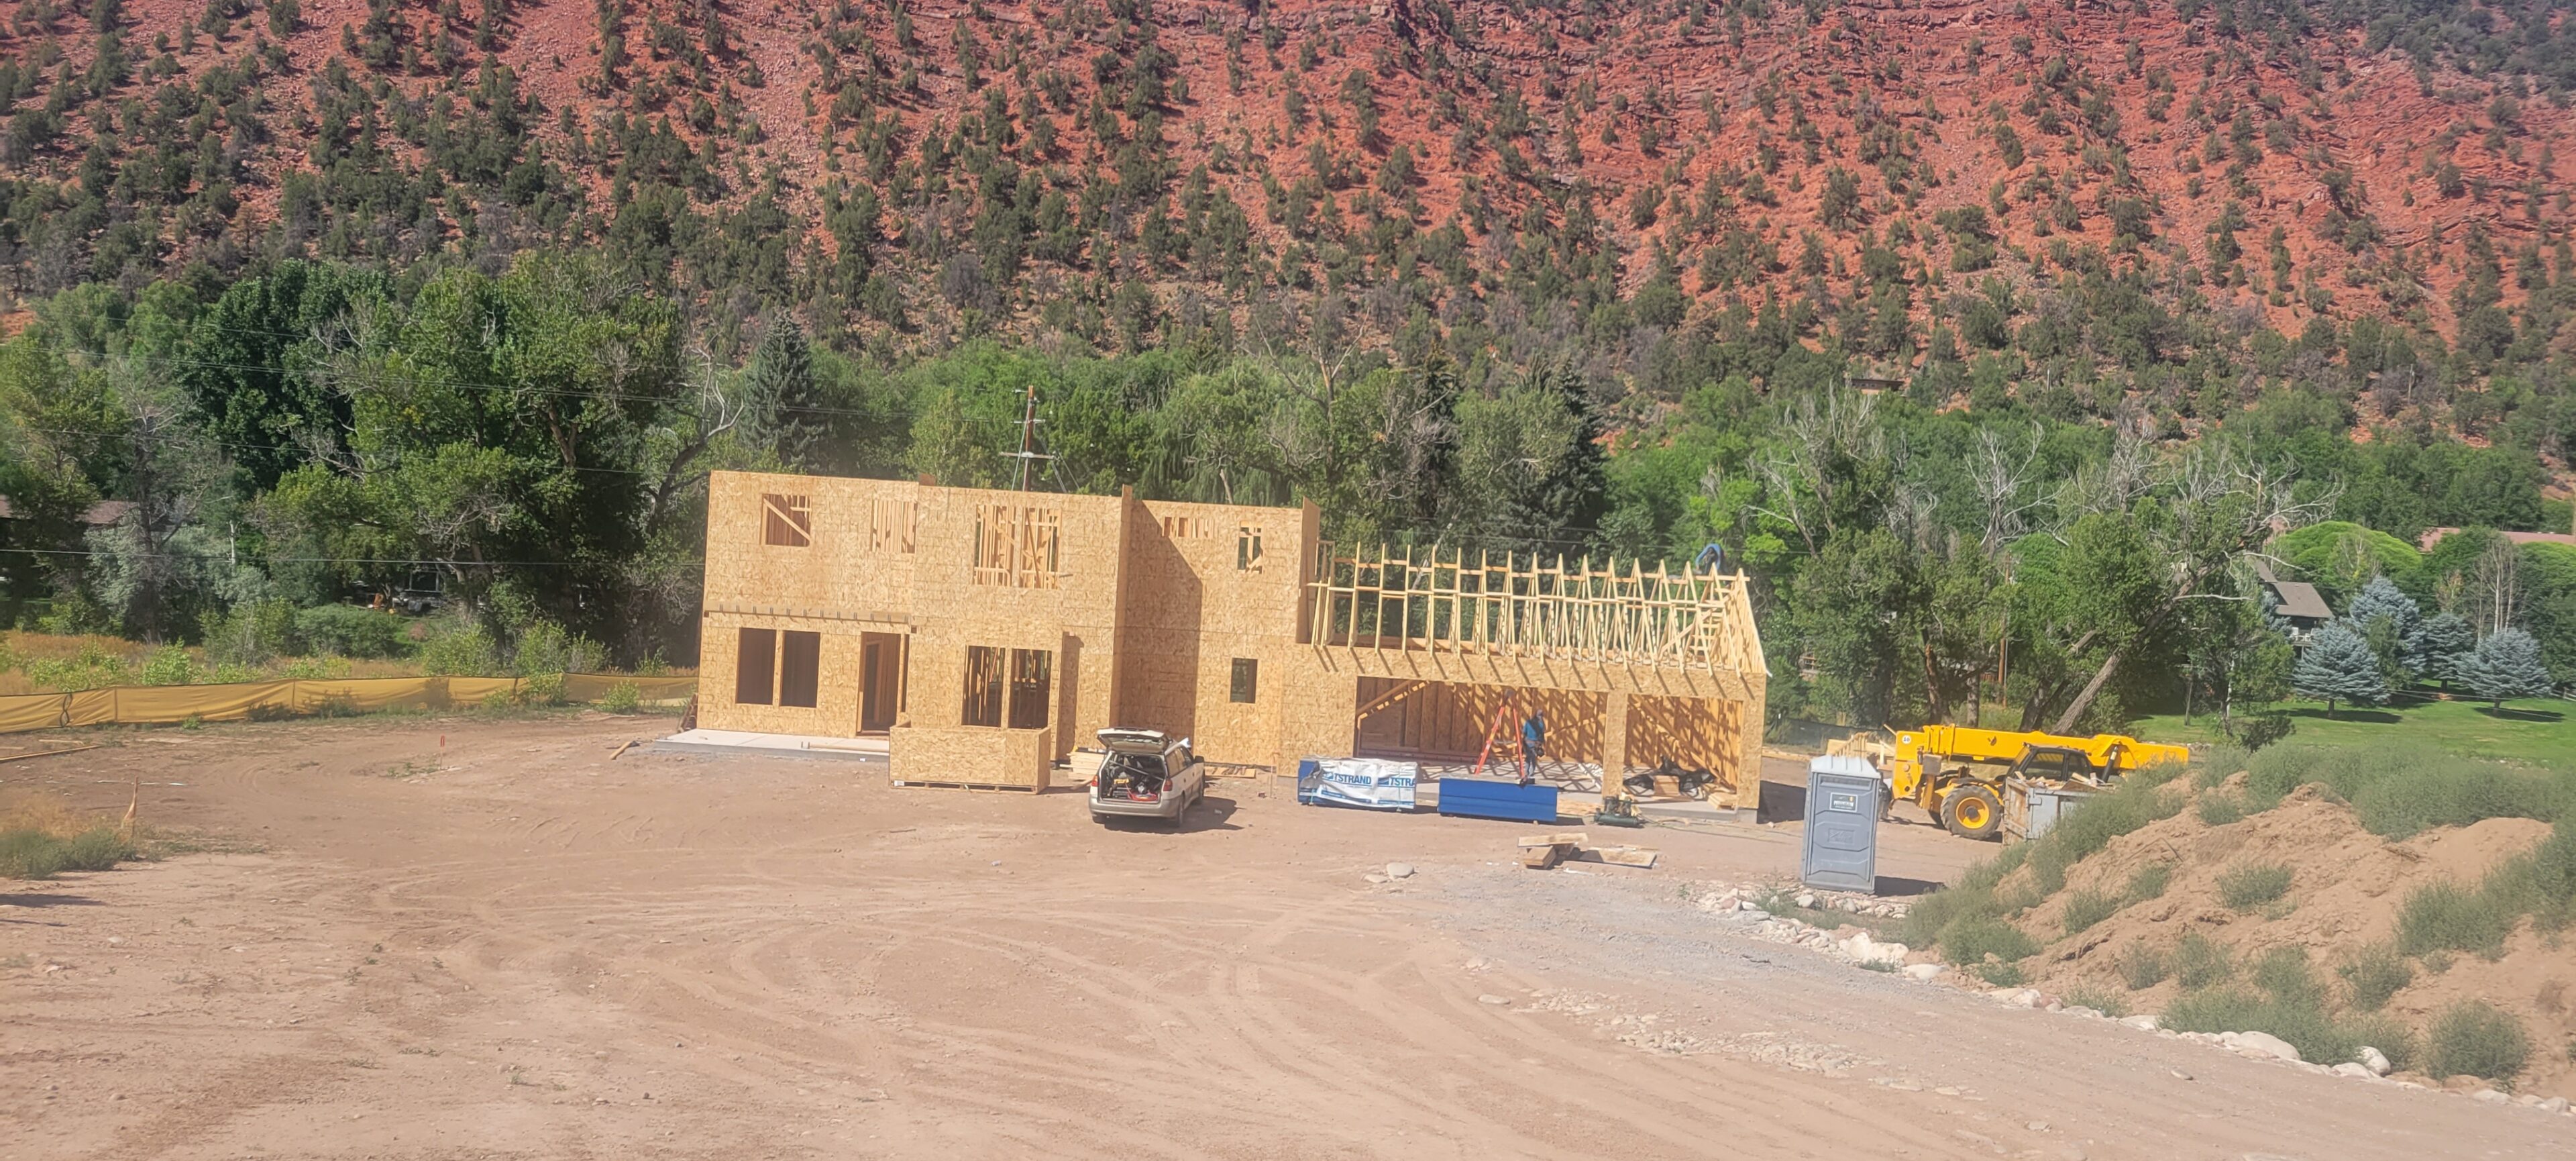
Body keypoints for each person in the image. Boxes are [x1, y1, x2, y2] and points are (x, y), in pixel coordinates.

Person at [1519, 709, 1546, 785]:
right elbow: (1542, 734)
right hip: (1535, 744)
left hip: (1527, 743)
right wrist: (1542, 743)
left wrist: (1523, 743)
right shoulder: (1541, 724)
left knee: (1528, 758)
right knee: (1533, 760)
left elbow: (1524, 732)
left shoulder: (1528, 723)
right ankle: (1531, 774)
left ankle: (1526, 773)